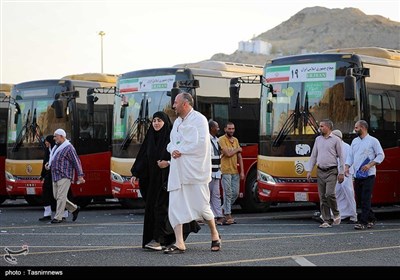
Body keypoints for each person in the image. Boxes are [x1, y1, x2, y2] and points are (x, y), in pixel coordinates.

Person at [130, 111, 199, 251]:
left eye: (159, 120)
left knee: (162, 208)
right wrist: (136, 173)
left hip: (168, 180)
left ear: (165, 122)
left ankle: (159, 240)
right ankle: (159, 239)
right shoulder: (150, 138)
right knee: (155, 209)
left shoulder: (172, 137)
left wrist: (168, 163)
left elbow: (180, 155)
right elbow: (143, 156)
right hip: (152, 181)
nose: (156, 123)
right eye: (154, 120)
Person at [165, 92, 221, 254]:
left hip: (195, 173)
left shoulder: (200, 120)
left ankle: (215, 234)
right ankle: (180, 242)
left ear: (185, 104)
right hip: (178, 172)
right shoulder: (176, 122)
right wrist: (172, 149)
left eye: (176, 102)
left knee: (202, 207)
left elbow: (201, 145)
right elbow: (171, 143)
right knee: (175, 207)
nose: (173, 105)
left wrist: (179, 150)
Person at [345, 120, 385, 230]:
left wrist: (370, 165)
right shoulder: (354, 141)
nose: (355, 129)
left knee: (365, 198)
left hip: (369, 175)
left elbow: (381, 155)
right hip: (357, 174)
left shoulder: (373, 141)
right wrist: (347, 166)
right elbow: (350, 155)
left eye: (356, 127)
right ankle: (371, 218)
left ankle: (362, 222)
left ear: (363, 128)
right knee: (359, 198)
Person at [306, 119, 344, 228]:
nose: (320, 128)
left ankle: (336, 213)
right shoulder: (318, 140)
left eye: (322, 126)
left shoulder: (336, 140)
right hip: (320, 170)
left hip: (332, 171)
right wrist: (309, 170)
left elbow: (341, 157)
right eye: (320, 126)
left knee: (329, 194)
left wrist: (341, 172)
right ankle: (327, 220)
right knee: (322, 197)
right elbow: (313, 155)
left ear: (328, 127)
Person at [47, 128, 85, 224]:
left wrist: (80, 175)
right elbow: (53, 159)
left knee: (60, 196)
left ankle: (58, 217)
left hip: (65, 175)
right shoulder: (56, 147)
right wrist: (49, 164)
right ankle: (74, 209)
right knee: (57, 196)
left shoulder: (69, 147)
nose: (54, 138)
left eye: (56, 136)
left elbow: (76, 161)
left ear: (62, 137)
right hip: (55, 175)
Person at [218, 121, 244, 225]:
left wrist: (242, 171)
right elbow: (228, 154)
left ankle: (220, 211)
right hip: (225, 170)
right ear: (225, 129)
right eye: (229, 129)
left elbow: (239, 157)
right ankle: (228, 214)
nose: (231, 131)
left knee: (235, 193)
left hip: (235, 171)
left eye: (233, 129)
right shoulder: (221, 140)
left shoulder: (236, 140)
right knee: (227, 193)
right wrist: (237, 149)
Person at [38, 135, 69, 221]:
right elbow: (45, 162)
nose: (45, 143)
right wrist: (42, 174)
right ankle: (47, 213)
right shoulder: (49, 150)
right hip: (49, 175)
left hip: (59, 175)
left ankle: (64, 214)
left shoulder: (58, 149)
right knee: (47, 193)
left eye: (47, 141)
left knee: (60, 195)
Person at [331, 130, 357, 223]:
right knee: (337, 194)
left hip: (346, 173)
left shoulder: (346, 147)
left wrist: (343, 172)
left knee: (348, 193)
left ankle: (353, 216)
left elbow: (346, 161)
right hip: (337, 174)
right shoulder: (335, 146)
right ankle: (338, 214)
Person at [208, 119, 224, 226]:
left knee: (216, 195)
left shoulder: (216, 140)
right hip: (208, 173)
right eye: (216, 127)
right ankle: (210, 217)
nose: (218, 129)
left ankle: (218, 215)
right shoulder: (206, 140)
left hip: (217, 172)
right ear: (211, 128)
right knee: (207, 196)